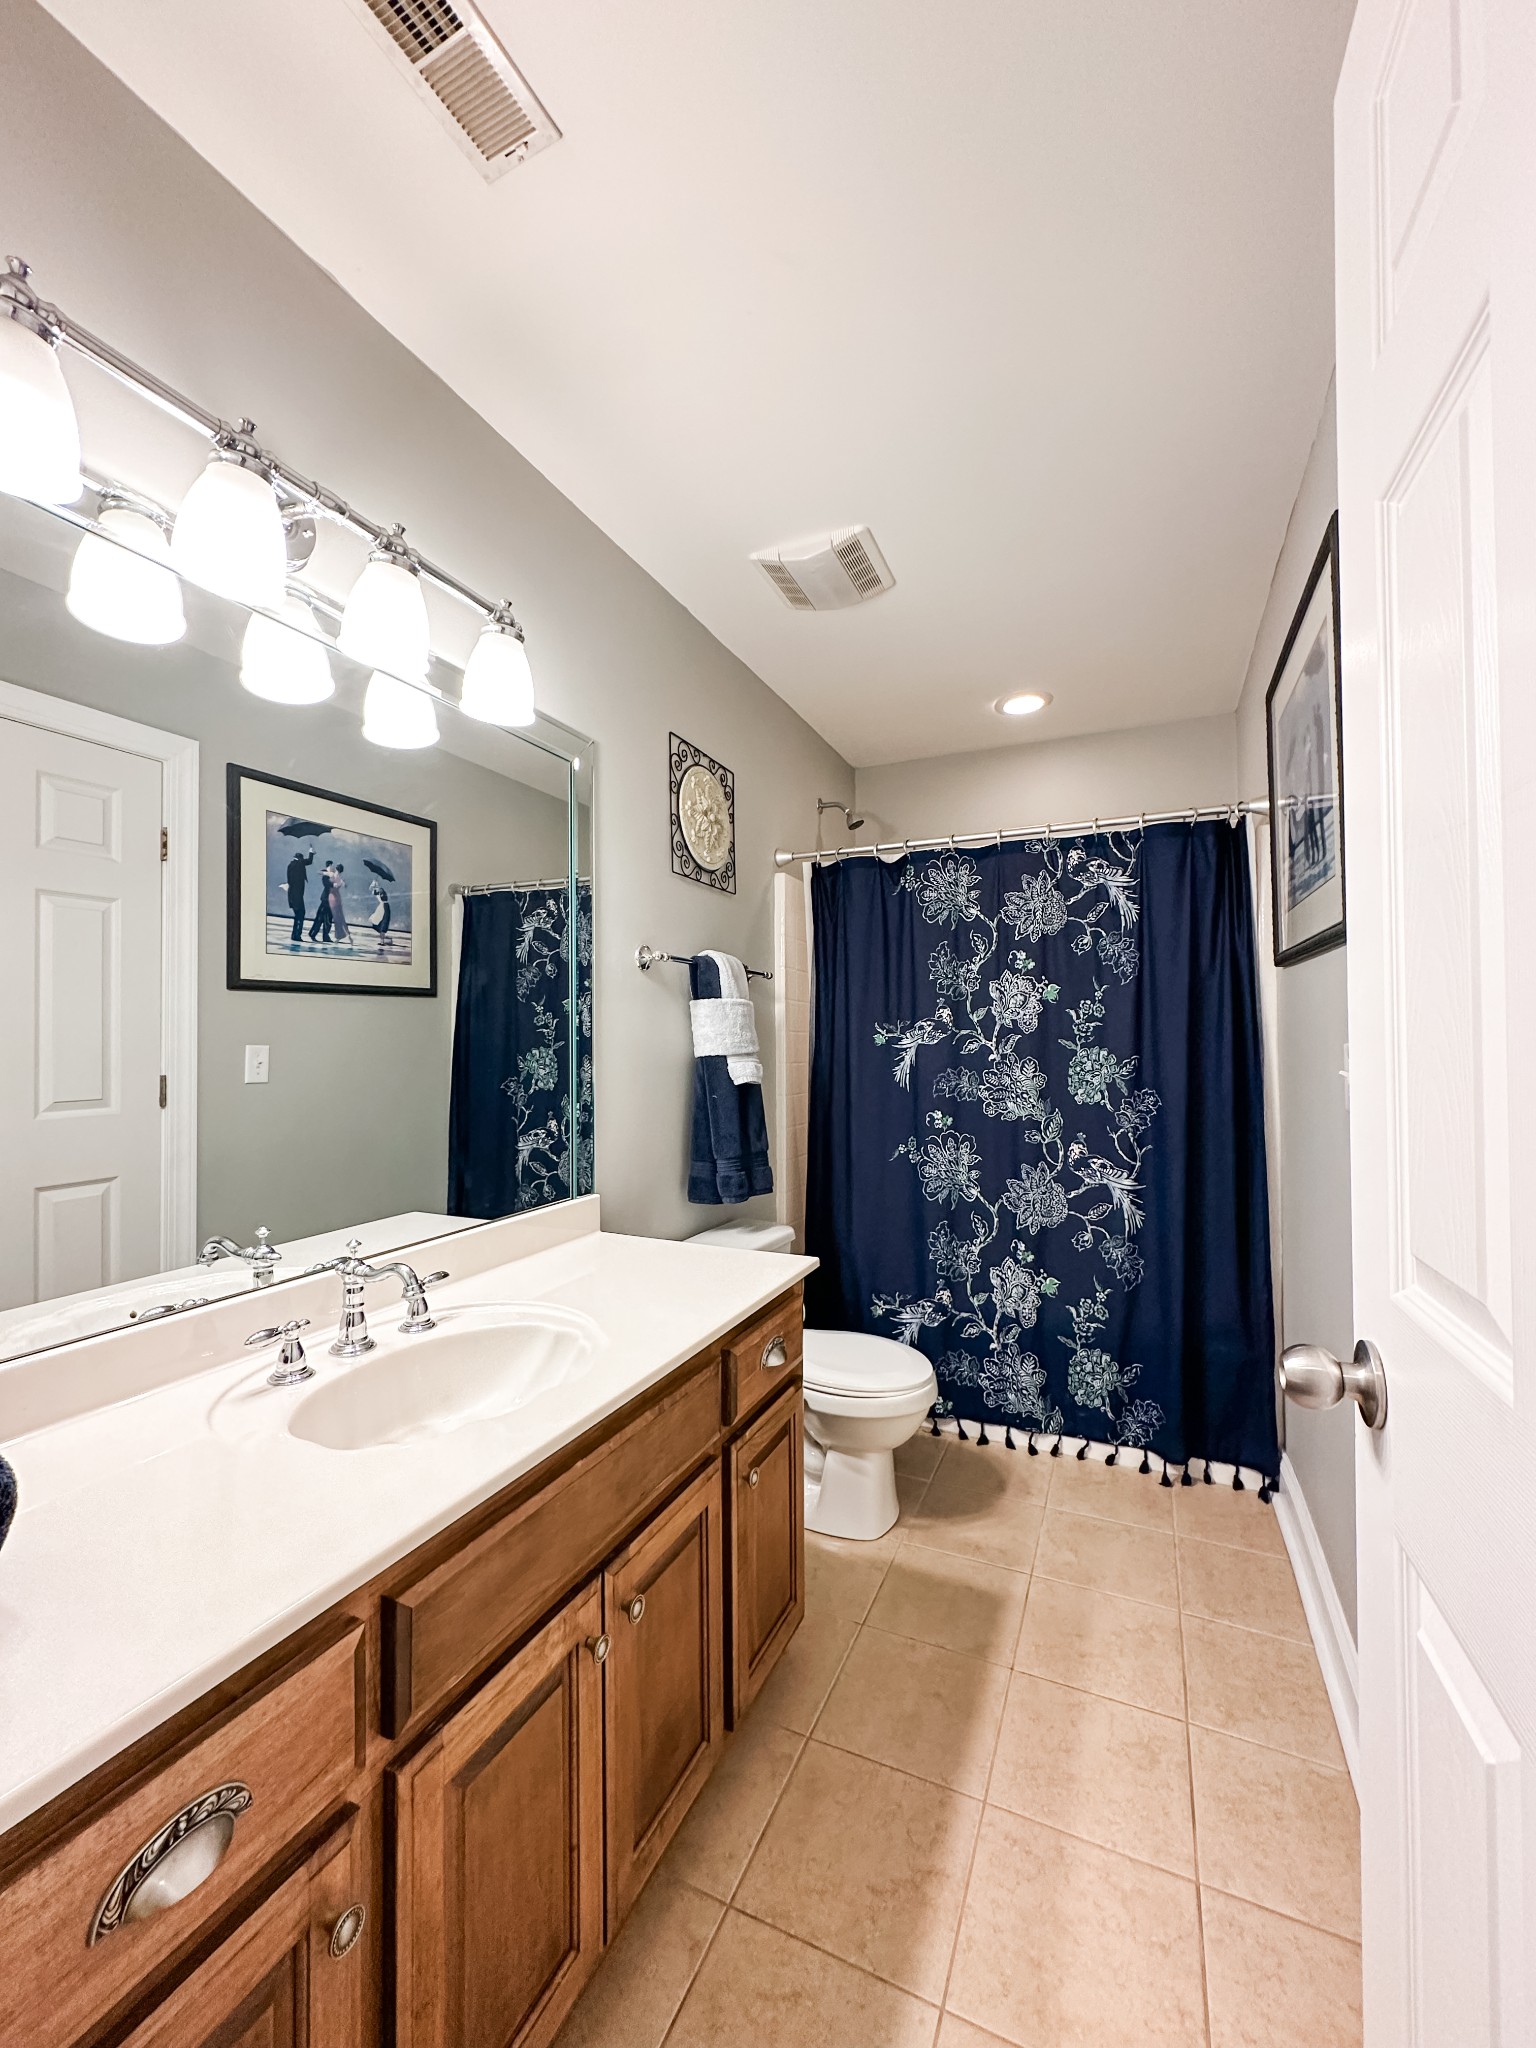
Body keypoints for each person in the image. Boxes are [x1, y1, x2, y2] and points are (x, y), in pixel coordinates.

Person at [285, 846, 313, 945]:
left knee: (297, 915)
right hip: (297, 896)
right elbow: (309, 861)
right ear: (300, 859)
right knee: (301, 913)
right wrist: (311, 851)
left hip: (292, 895)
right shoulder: (299, 863)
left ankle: (294, 934)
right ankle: (297, 935)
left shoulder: (290, 865)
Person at [309, 861, 336, 944]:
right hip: (326, 900)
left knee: (327, 919)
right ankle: (314, 934)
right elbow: (327, 884)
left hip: (329, 899)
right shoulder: (326, 875)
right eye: (331, 865)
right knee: (322, 918)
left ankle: (323, 935)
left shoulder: (332, 874)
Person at [328, 861, 350, 944]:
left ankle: (339, 935)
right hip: (337, 897)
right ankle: (345, 934)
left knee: (337, 917)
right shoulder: (339, 877)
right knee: (340, 916)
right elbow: (344, 885)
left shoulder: (335, 876)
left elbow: (334, 885)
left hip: (333, 897)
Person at [368, 878, 392, 951]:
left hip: (384, 908)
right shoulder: (377, 891)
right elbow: (371, 889)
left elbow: (380, 894)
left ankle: (382, 941)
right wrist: (373, 884)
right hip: (382, 907)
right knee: (378, 924)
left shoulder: (381, 890)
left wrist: (375, 885)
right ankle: (383, 940)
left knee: (383, 924)